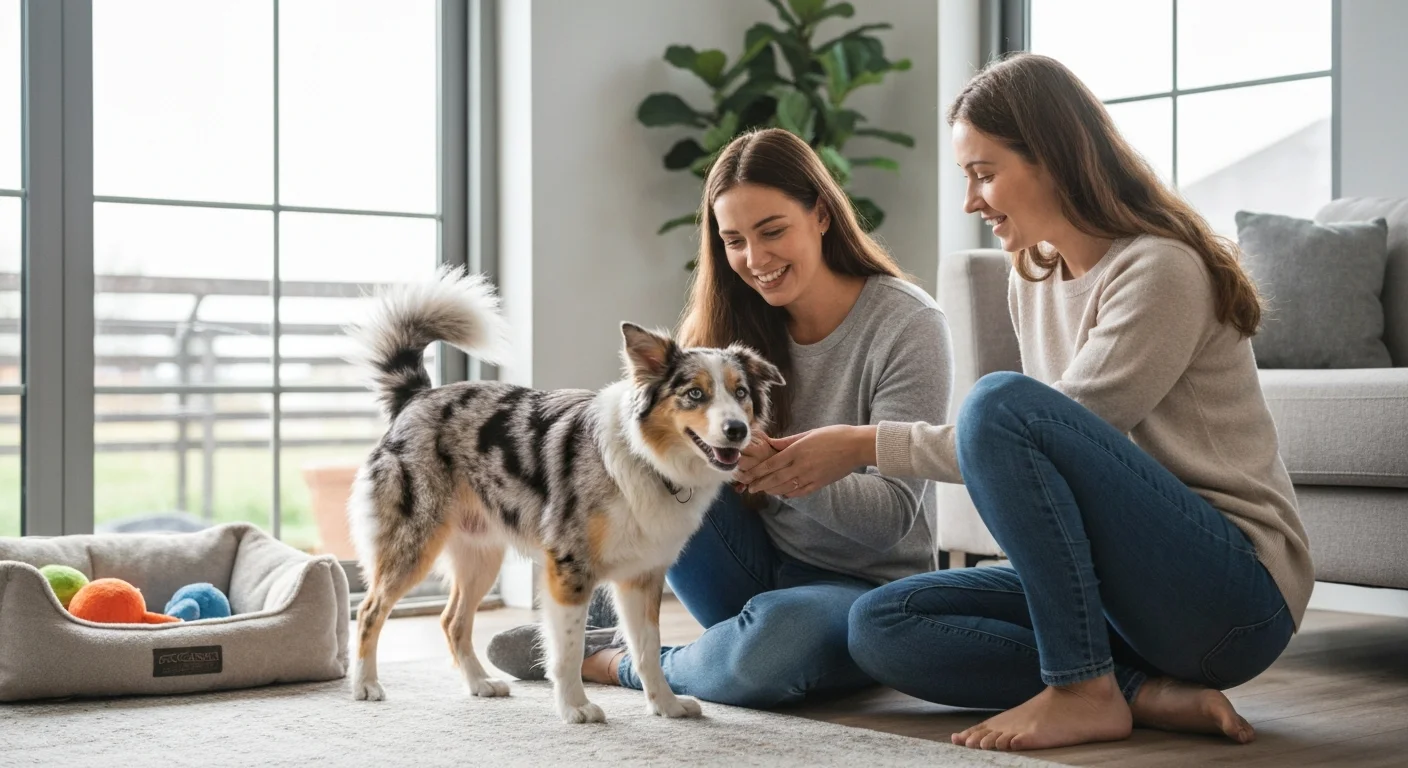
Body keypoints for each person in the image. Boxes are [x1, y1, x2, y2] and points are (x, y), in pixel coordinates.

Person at [745, 53, 1313, 751]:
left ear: (1054, 158)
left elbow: (1047, 427)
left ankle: (1080, 687)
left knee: (1000, 402)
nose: (970, 201)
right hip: (1124, 593)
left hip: (1232, 597)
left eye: (984, 174)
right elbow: (1040, 455)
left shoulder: (1161, 268)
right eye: (968, 178)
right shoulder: (1034, 278)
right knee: (881, 625)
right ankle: (1135, 692)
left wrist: (863, 444)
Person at [487, 127, 953, 708]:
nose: (755, 261)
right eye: (734, 241)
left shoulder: (907, 326)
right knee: (651, 460)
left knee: (774, 649)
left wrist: (790, 474)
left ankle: (617, 663)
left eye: (773, 231)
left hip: (862, 589)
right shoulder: (719, 330)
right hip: (746, 564)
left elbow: (890, 521)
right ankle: (623, 625)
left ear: (822, 215)